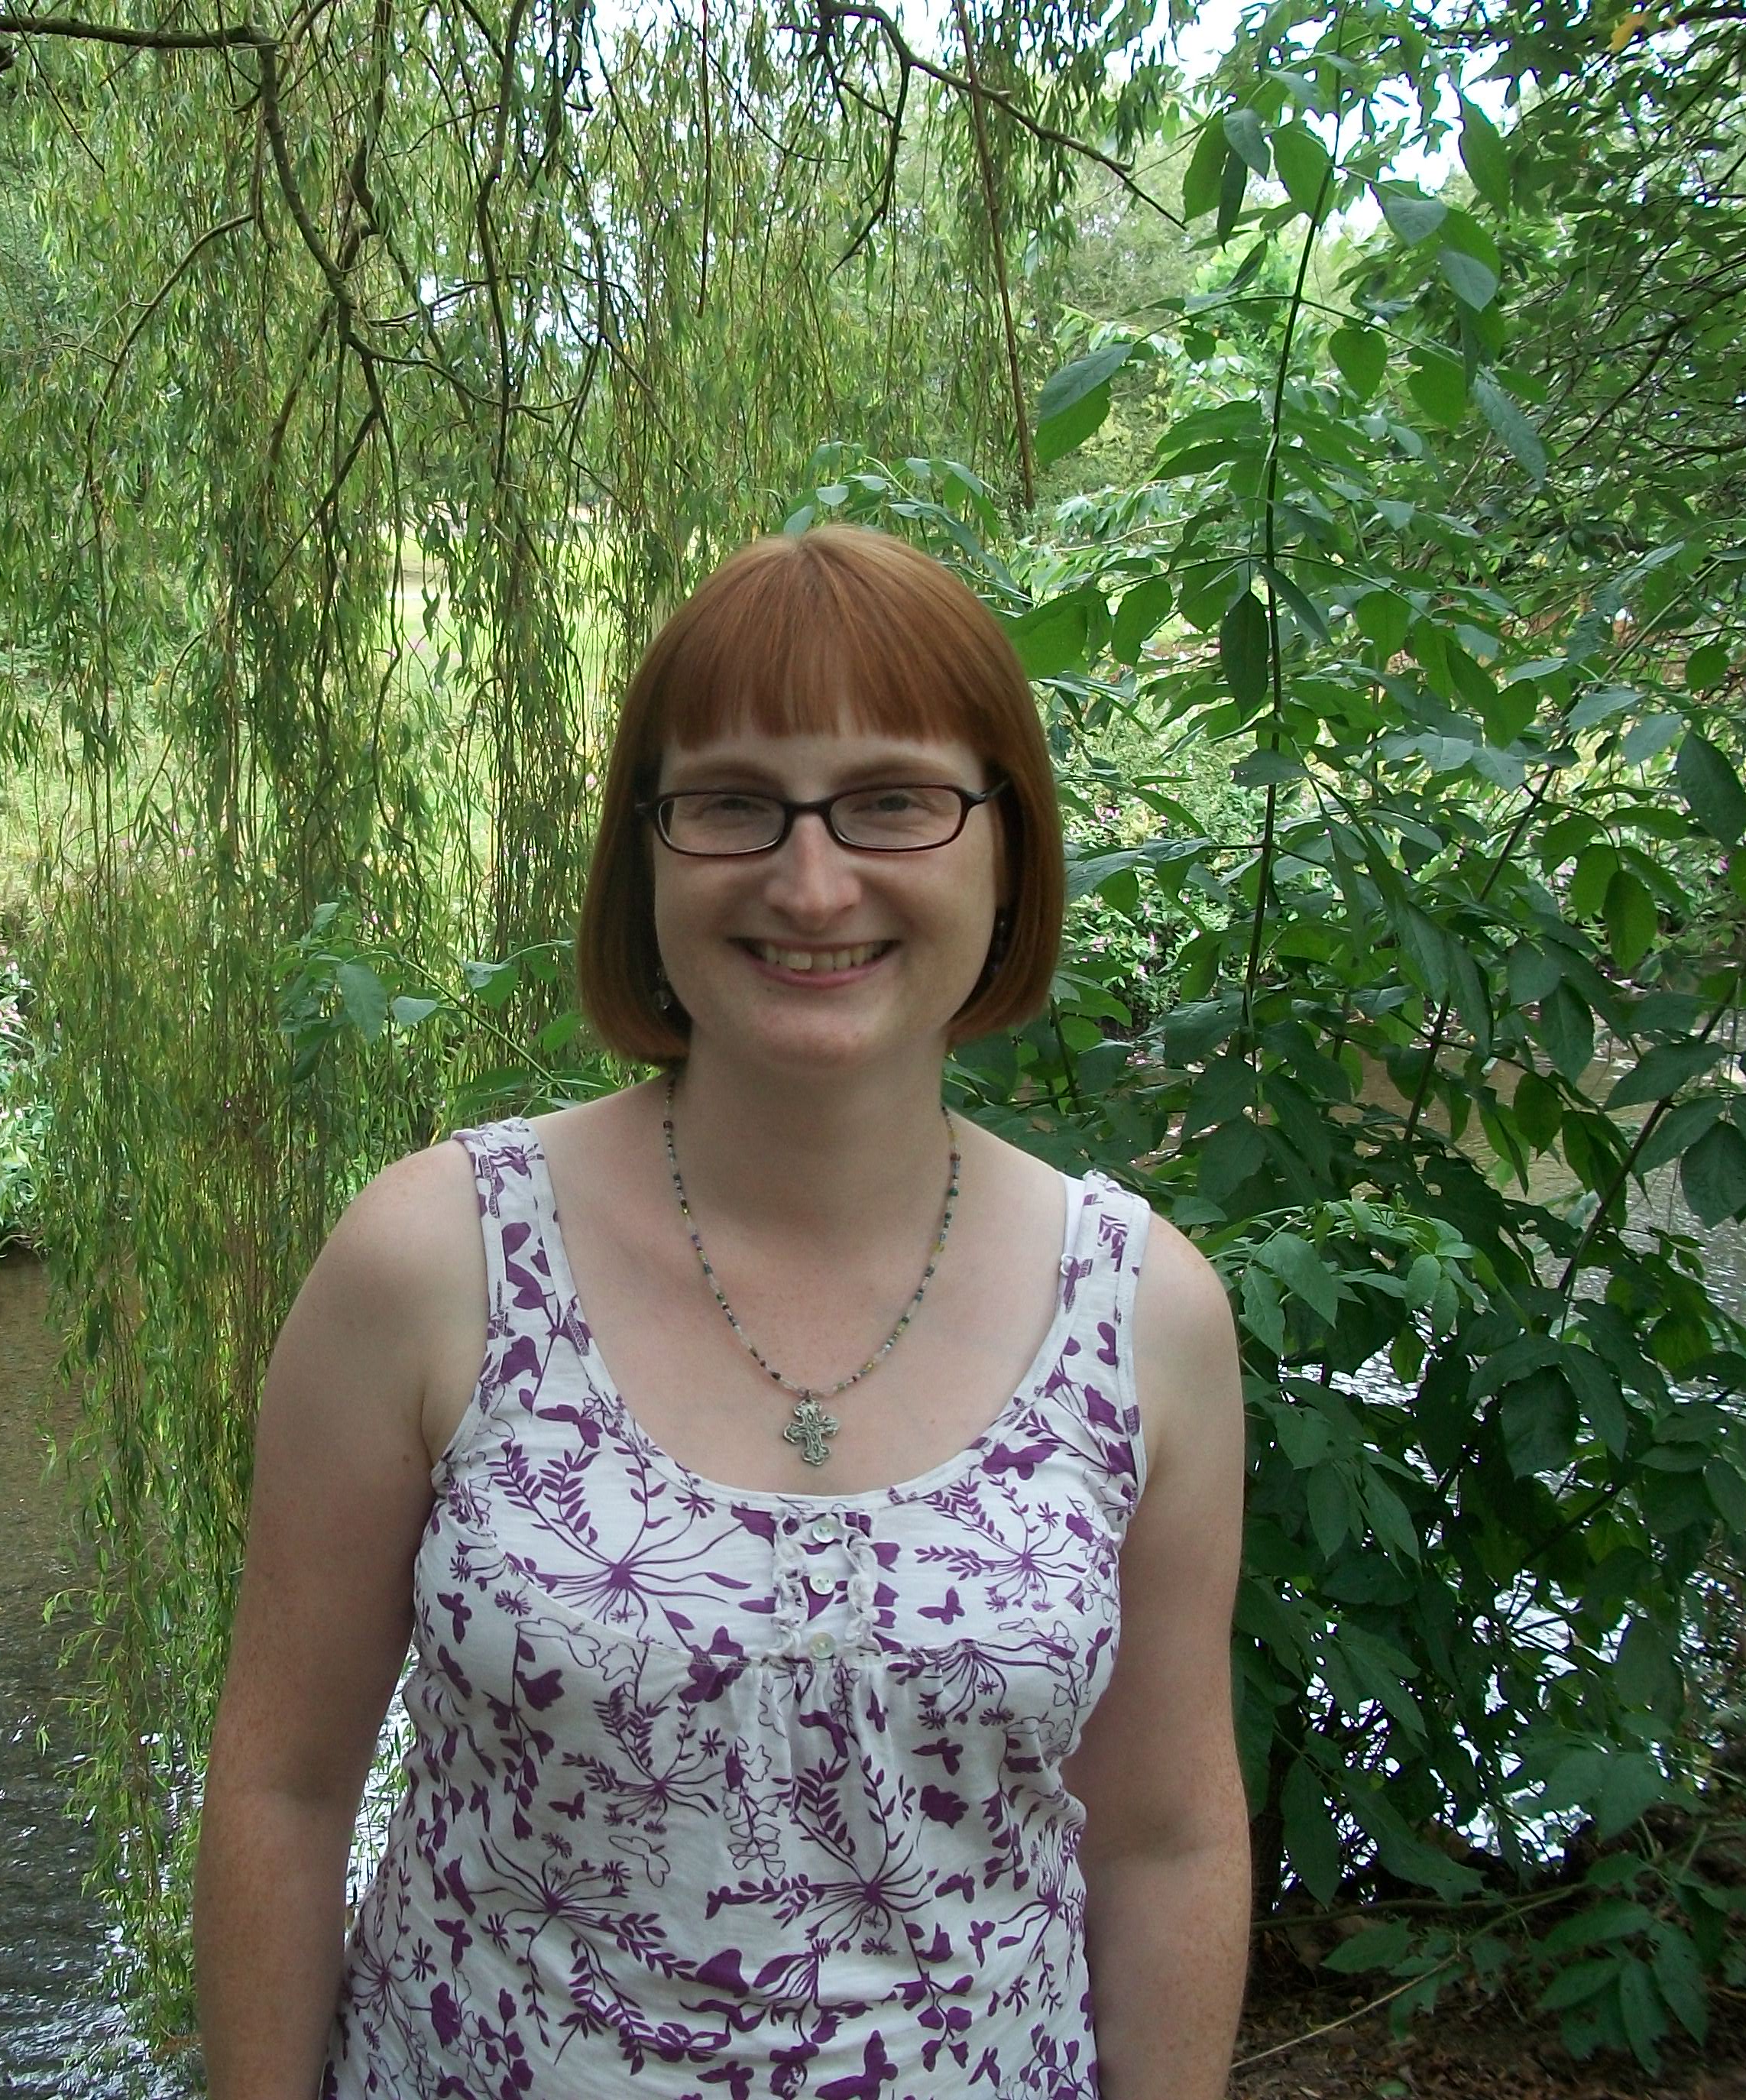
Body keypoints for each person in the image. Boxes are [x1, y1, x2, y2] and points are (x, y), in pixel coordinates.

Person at [193, 523, 1249, 2098]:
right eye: (731, 804)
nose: (809, 879)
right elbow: (281, 1793)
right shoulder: (430, 1263)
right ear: (646, 852)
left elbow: (1166, 1838)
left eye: (892, 799)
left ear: (1007, 847)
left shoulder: (1140, 1308)